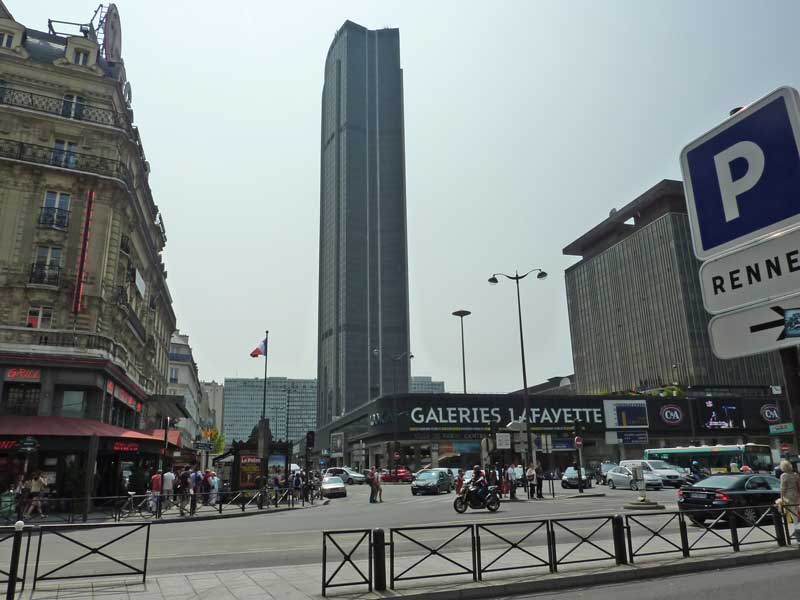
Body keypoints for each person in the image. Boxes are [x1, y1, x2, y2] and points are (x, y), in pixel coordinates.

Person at [780, 459, 800, 541]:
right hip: (797, 496)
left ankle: (797, 533)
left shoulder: (784, 476)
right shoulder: (795, 474)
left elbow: (783, 488)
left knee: (793, 515)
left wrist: (781, 497)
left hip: (788, 497)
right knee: (797, 514)